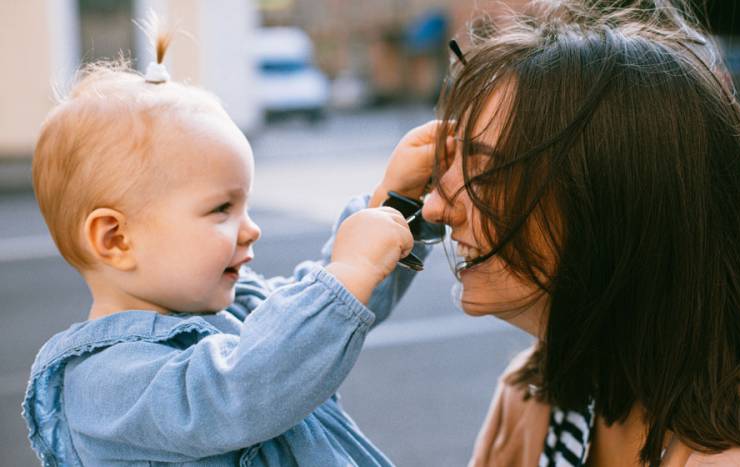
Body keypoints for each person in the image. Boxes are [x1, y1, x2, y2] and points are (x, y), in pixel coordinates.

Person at [22, 22, 440, 466]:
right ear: (116, 239)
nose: (251, 229)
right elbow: (241, 389)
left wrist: (396, 203)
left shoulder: (236, 309)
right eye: (222, 209)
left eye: (245, 206)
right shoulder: (105, 385)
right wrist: (350, 271)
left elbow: (317, 315)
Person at [420, 0, 740, 465]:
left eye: (485, 174)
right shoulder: (534, 394)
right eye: (450, 164)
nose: (434, 206)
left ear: (615, 202)